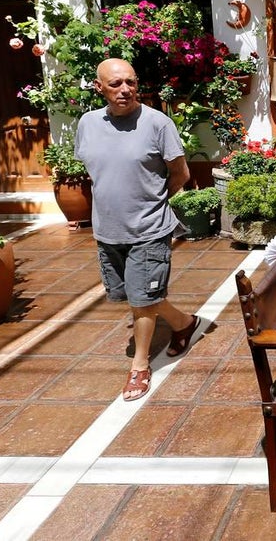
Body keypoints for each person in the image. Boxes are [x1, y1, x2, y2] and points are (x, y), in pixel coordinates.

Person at [75, 58, 201, 402]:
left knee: (142, 302)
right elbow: (95, 171)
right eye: (115, 84)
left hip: (149, 228)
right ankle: (184, 323)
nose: (125, 90)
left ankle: (139, 367)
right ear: (99, 87)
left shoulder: (157, 123)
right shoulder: (87, 124)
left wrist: (154, 201)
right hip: (107, 230)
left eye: (130, 82)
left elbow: (181, 174)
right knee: (134, 296)